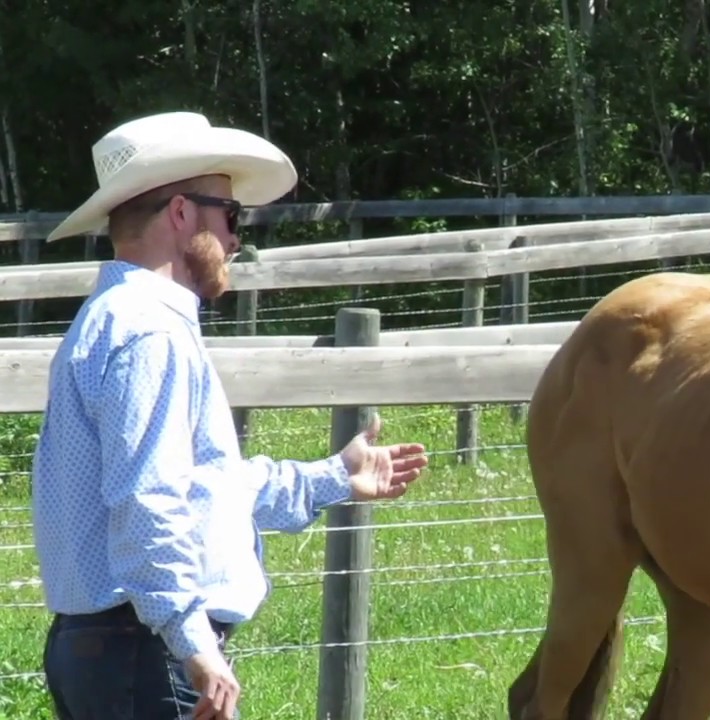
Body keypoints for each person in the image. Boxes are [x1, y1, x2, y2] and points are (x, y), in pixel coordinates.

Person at [31, 111, 430, 720]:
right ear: (181, 214)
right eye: (231, 215)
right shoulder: (150, 334)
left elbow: (200, 486)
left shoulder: (116, 319)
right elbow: (150, 500)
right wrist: (193, 645)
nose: (239, 238)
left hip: (120, 649)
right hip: (146, 654)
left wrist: (333, 475)